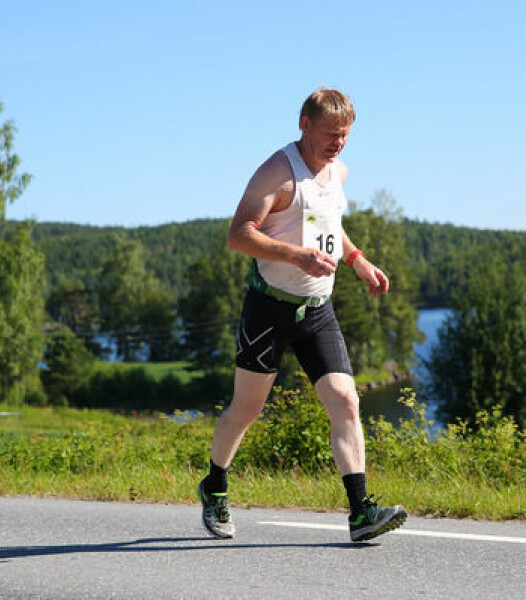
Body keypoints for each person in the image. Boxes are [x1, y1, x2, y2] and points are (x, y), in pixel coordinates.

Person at [197, 88, 407, 542]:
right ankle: (214, 486)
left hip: (317, 309)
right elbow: (238, 236)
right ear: (304, 125)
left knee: (346, 401)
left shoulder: (339, 172)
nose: (339, 144)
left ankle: (360, 513)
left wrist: (358, 261)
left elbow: (332, 227)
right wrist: (296, 257)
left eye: (346, 135)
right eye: (331, 134)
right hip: (268, 308)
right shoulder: (277, 173)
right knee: (247, 409)